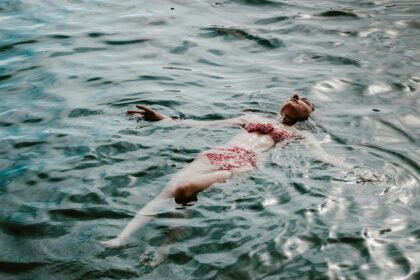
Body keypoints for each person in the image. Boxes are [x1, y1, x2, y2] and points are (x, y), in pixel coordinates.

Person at [100, 94, 352, 248]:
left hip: (243, 163)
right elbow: (202, 124)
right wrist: (162, 119)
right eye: (295, 96)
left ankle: (164, 246)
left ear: (307, 115)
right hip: (215, 154)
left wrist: (355, 171)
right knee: (171, 195)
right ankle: (123, 239)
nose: (297, 96)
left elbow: (324, 157)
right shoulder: (251, 117)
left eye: (305, 100)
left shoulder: (299, 134)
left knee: (183, 190)